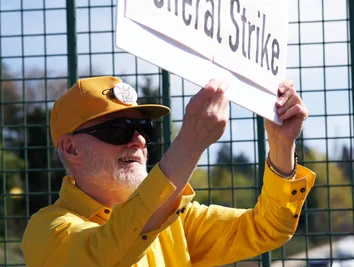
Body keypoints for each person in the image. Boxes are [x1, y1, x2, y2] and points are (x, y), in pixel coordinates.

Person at [21, 76, 315, 266]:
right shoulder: (47, 230)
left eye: (143, 128)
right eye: (117, 129)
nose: (138, 140)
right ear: (71, 149)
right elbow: (109, 254)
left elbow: (267, 228)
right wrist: (189, 143)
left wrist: (281, 146)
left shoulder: (176, 220)